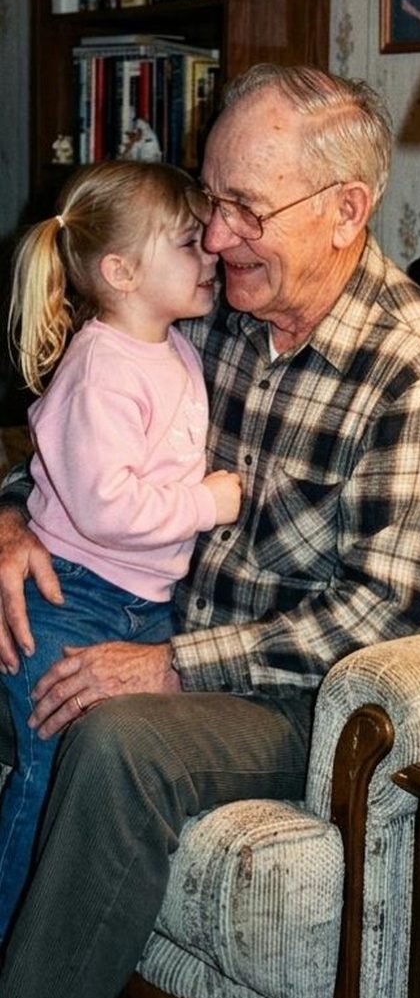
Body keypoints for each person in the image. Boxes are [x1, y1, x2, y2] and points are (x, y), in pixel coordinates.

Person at [0, 64, 420, 998]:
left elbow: (386, 615)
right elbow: (91, 453)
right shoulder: (214, 317)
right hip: (157, 624)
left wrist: (172, 665)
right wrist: (7, 525)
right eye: (209, 200)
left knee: (113, 737)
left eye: (243, 210)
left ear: (345, 212)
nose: (215, 237)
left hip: (297, 702)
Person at [0, 161, 242, 947]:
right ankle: (16, 968)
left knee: (102, 777)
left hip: (147, 607)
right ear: (121, 272)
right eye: (188, 242)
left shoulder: (175, 346)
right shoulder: (102, 366)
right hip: (70, 594)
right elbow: (107, 506)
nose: (211, 250)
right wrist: (209, 501)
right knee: (52, 770)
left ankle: (60, 974)